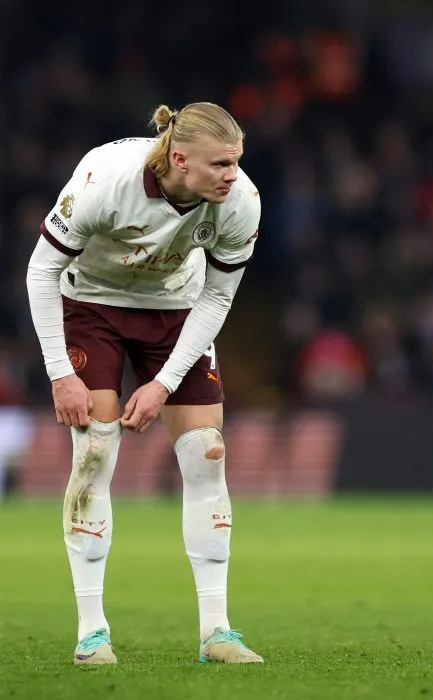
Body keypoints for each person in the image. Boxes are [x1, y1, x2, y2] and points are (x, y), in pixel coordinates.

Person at [25, 102, 263, 666]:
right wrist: (60, 374)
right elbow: (42, 270)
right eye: (220, 164)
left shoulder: (242, 202)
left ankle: (217, 632)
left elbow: (218, 297)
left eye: (236, 161)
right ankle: (92, 633)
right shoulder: (105, 181)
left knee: (207, 455)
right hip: (91, 305)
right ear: (179, 159)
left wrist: (163, 383)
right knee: (95, 454)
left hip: (178, 309)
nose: (232, 175)